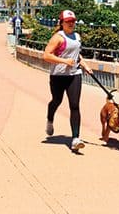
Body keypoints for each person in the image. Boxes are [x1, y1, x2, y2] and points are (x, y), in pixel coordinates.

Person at [42, 9, 92, 152]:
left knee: (75, 105)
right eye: (68, 22)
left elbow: (77, 55)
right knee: (56, 100)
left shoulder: (77, 36)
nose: (71, 24)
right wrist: (64, 61)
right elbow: (46, 55)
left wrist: (85, 65)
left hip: (74, 74)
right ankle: (50, 119)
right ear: (62, 22)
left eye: (73, 21)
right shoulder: (58, 37)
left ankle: (75, 139)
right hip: (57, 76)